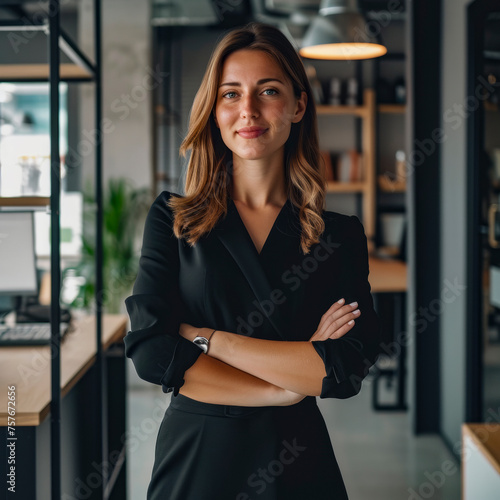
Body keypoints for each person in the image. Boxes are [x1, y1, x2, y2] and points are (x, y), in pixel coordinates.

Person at [124, 21, 383, 500]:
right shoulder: (173, 219)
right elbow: (153, 350)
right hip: (198, 458)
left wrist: (209, 339)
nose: (248, 110)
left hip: (297, 461)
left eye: (267, 91)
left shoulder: (338, 235)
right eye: (230, 94)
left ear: (298, 104)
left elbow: (344, 366)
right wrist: (283, 387)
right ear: (214, 110)